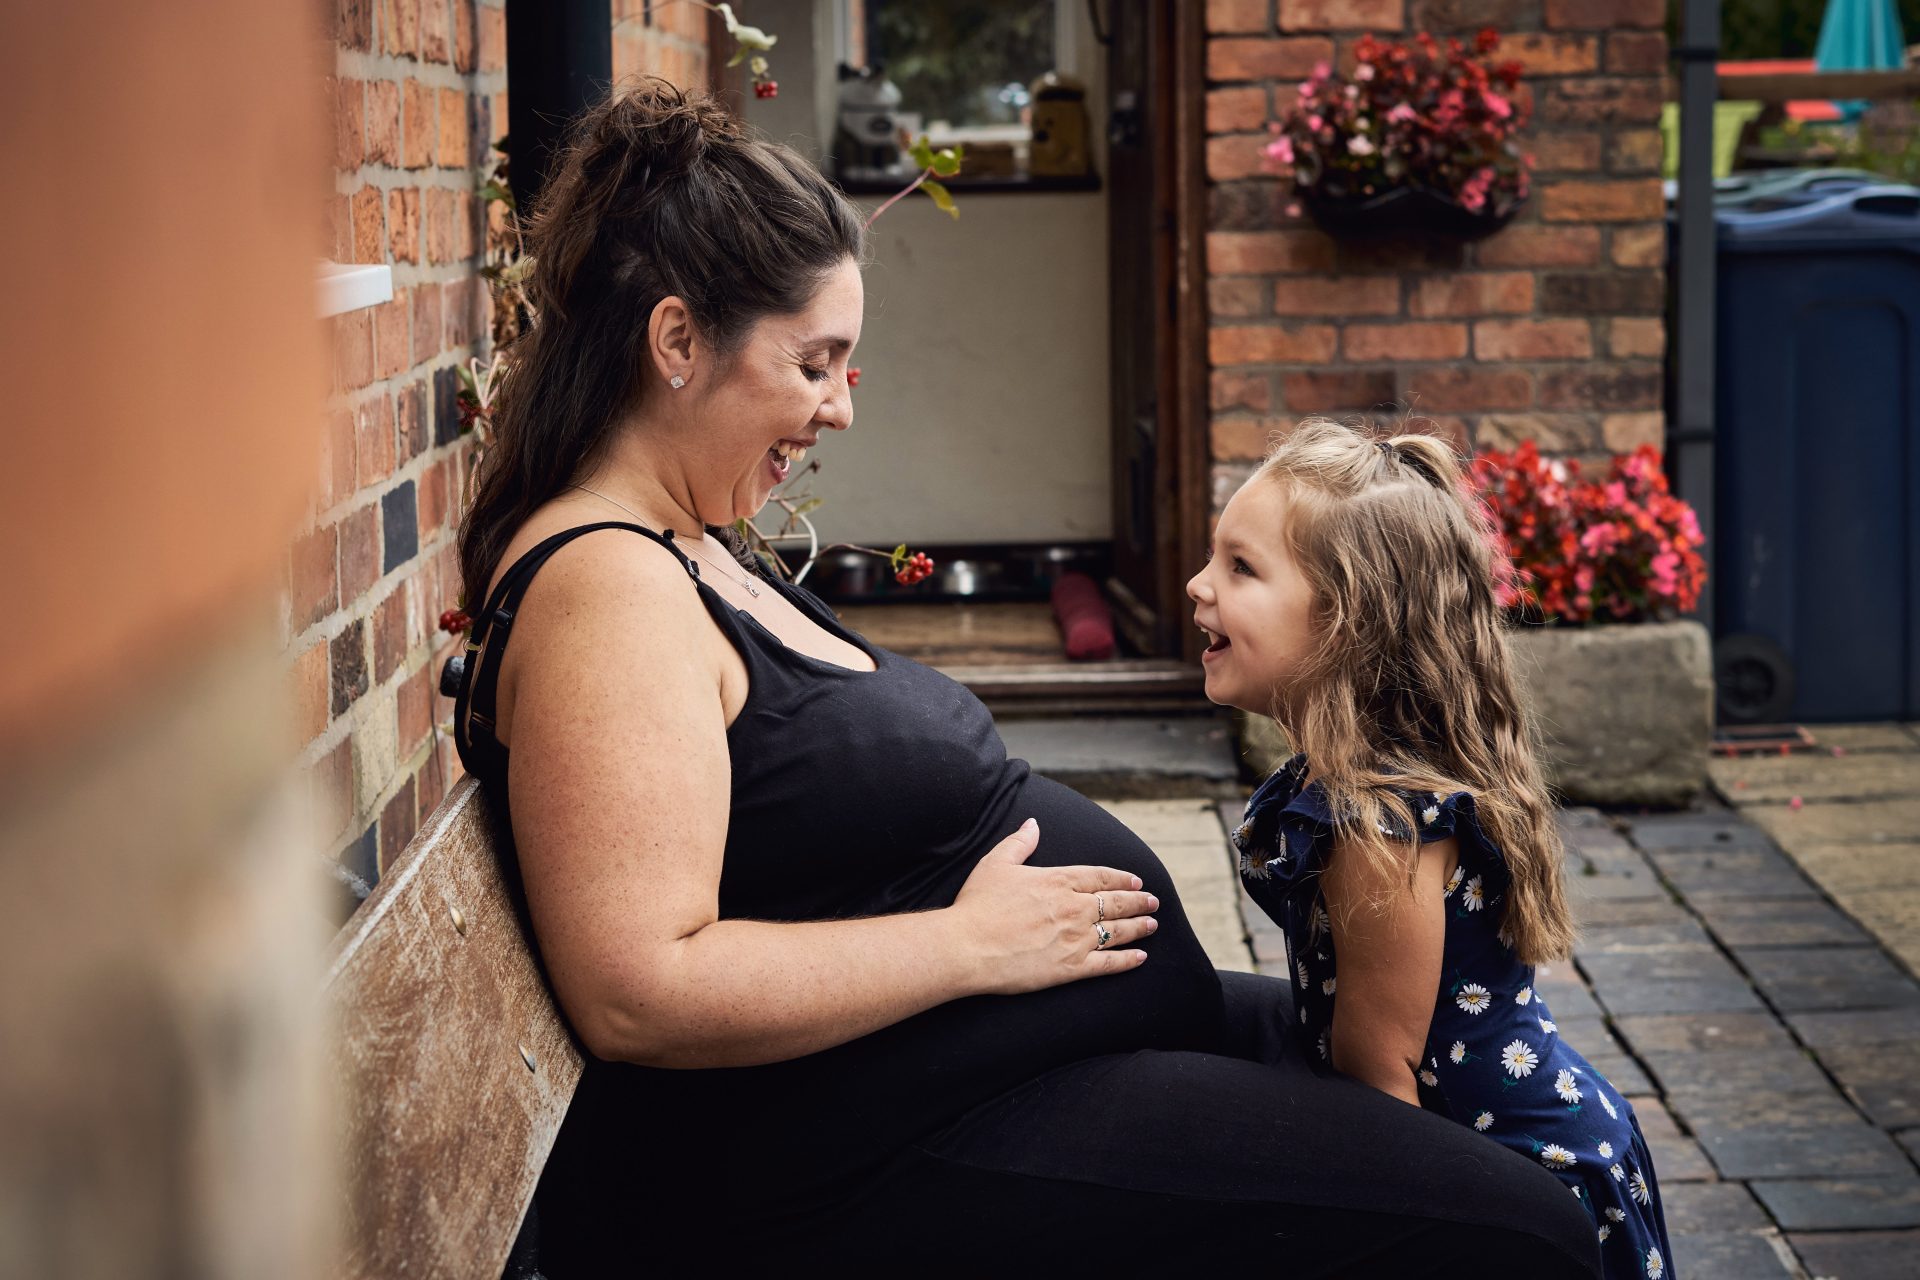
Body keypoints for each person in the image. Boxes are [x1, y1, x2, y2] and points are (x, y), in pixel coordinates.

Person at [450, 78, 1600, 1274]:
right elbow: (640, 987)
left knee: (1502, 1125)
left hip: (991, 1075)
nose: (840, 408)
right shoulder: (608, 591)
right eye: (816, 362)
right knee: (1529, 1233)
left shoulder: (681, 544)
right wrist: (967, 945)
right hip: (868, 1157)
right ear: (678, 341)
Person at [1188, 420, 1674, 1277]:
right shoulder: (1354, 783)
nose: (1198, 585)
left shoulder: (1382, 827)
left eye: (1240, 567)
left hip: (1508, 1178)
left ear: (1346, 622)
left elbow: (1381, 1079)